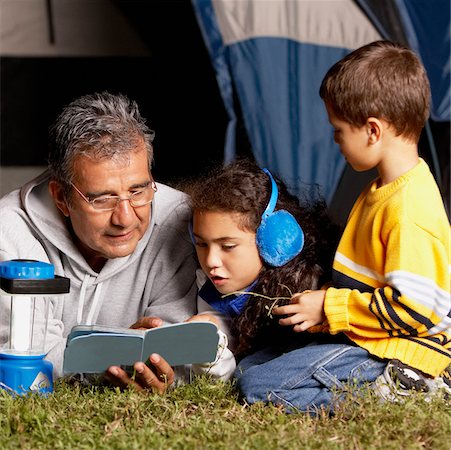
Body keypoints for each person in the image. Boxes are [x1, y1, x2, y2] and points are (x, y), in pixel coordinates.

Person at [235, 40, 451, 413]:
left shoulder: (409, 209)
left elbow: (415, 311)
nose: (335, 141)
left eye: (338, 131)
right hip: (366, 337)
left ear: (372, 130)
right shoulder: (381, 190)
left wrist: (329, 307)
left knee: (259, 385)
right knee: (247, 367)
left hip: (400, 351)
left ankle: (405, 389)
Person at [0, 92, 199, 392]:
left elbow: (183, 345)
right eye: (102, 199)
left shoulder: (181, 223)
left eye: (138, 191)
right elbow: (23, 351)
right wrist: (117, 355)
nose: (125, 218)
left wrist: (154, 364)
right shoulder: (8, 231)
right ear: (61, 198)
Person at [183, 158, 338, 380]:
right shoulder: (209, 283)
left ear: (273, 241)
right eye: (202, 244)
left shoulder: (309, 284)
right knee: (247, 373)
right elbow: (227, 363)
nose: (211, 261)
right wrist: (210, 341)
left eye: (228, 246)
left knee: (254, 378)